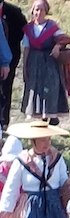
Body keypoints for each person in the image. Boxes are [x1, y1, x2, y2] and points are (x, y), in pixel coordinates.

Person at [20, 0, 68, 125]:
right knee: (35, 88)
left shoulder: (52, 26)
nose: (39, 12)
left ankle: (51, 115)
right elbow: (26, 48)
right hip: (34, 62)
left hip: (49, 62)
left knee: (50, 87)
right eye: (36, 9)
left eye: (42, 9)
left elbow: (63, 39)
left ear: (46, 11)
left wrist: (57, 46)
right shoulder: (28, 29)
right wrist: (25, 66)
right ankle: (38, 114)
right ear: (32, 11)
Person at [0, 0, 26, 130]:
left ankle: (4, 122)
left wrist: (6, 59)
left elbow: (22, 32)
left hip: (8, 58)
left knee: (6, 89)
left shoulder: (13, 11)